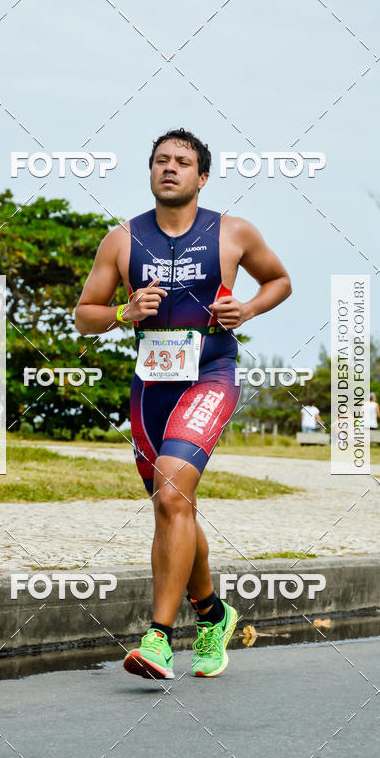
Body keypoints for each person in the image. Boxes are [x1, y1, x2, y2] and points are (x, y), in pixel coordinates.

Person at [74, 128, 291, 679]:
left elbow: (280, 280)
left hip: (211, 374)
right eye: (161, 160)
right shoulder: (121, 240)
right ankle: (213, 615)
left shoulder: (233, 232)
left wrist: (248, 308)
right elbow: (85, 314)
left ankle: (158, 639)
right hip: (150, 388)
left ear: (202, 176)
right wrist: (124, 313)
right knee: (174, 506)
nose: (170, 168)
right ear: (150, 172)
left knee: (173, 490)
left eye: (183, 161)